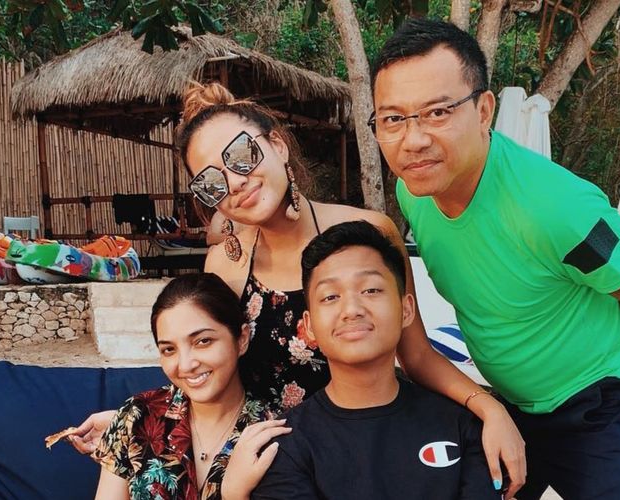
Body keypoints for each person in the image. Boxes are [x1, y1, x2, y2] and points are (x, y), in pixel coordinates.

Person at [72, 81, 525, 495]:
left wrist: (489, 409)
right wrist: (137, 418)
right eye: (211, 180)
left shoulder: (365, 236)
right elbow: (211, 362)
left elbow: (417, 354)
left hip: (367, 441)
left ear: (277, 145)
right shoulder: (226, 264)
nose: (235, 183)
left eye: (242, 155)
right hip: (274, 460)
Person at [368, 18, 620, 500]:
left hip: (599, 400)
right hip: (511, 403)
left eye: (437, 112)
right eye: (393, 119)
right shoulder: (415, 192)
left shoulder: (557, 209)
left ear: (484, 110)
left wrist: (616, 314)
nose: (413, 140)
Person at [253, 221, 500, 499]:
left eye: (370, 290)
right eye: (330, 296)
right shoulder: (286, 446)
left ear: (406, 309)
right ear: (308, 326)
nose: (352, 309)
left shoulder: (460, 426)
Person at [91, 273, 289, 499]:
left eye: (203, 341)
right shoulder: (135, 418)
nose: (185, 365)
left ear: (242, 339)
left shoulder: (273, 434)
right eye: (169, 349)